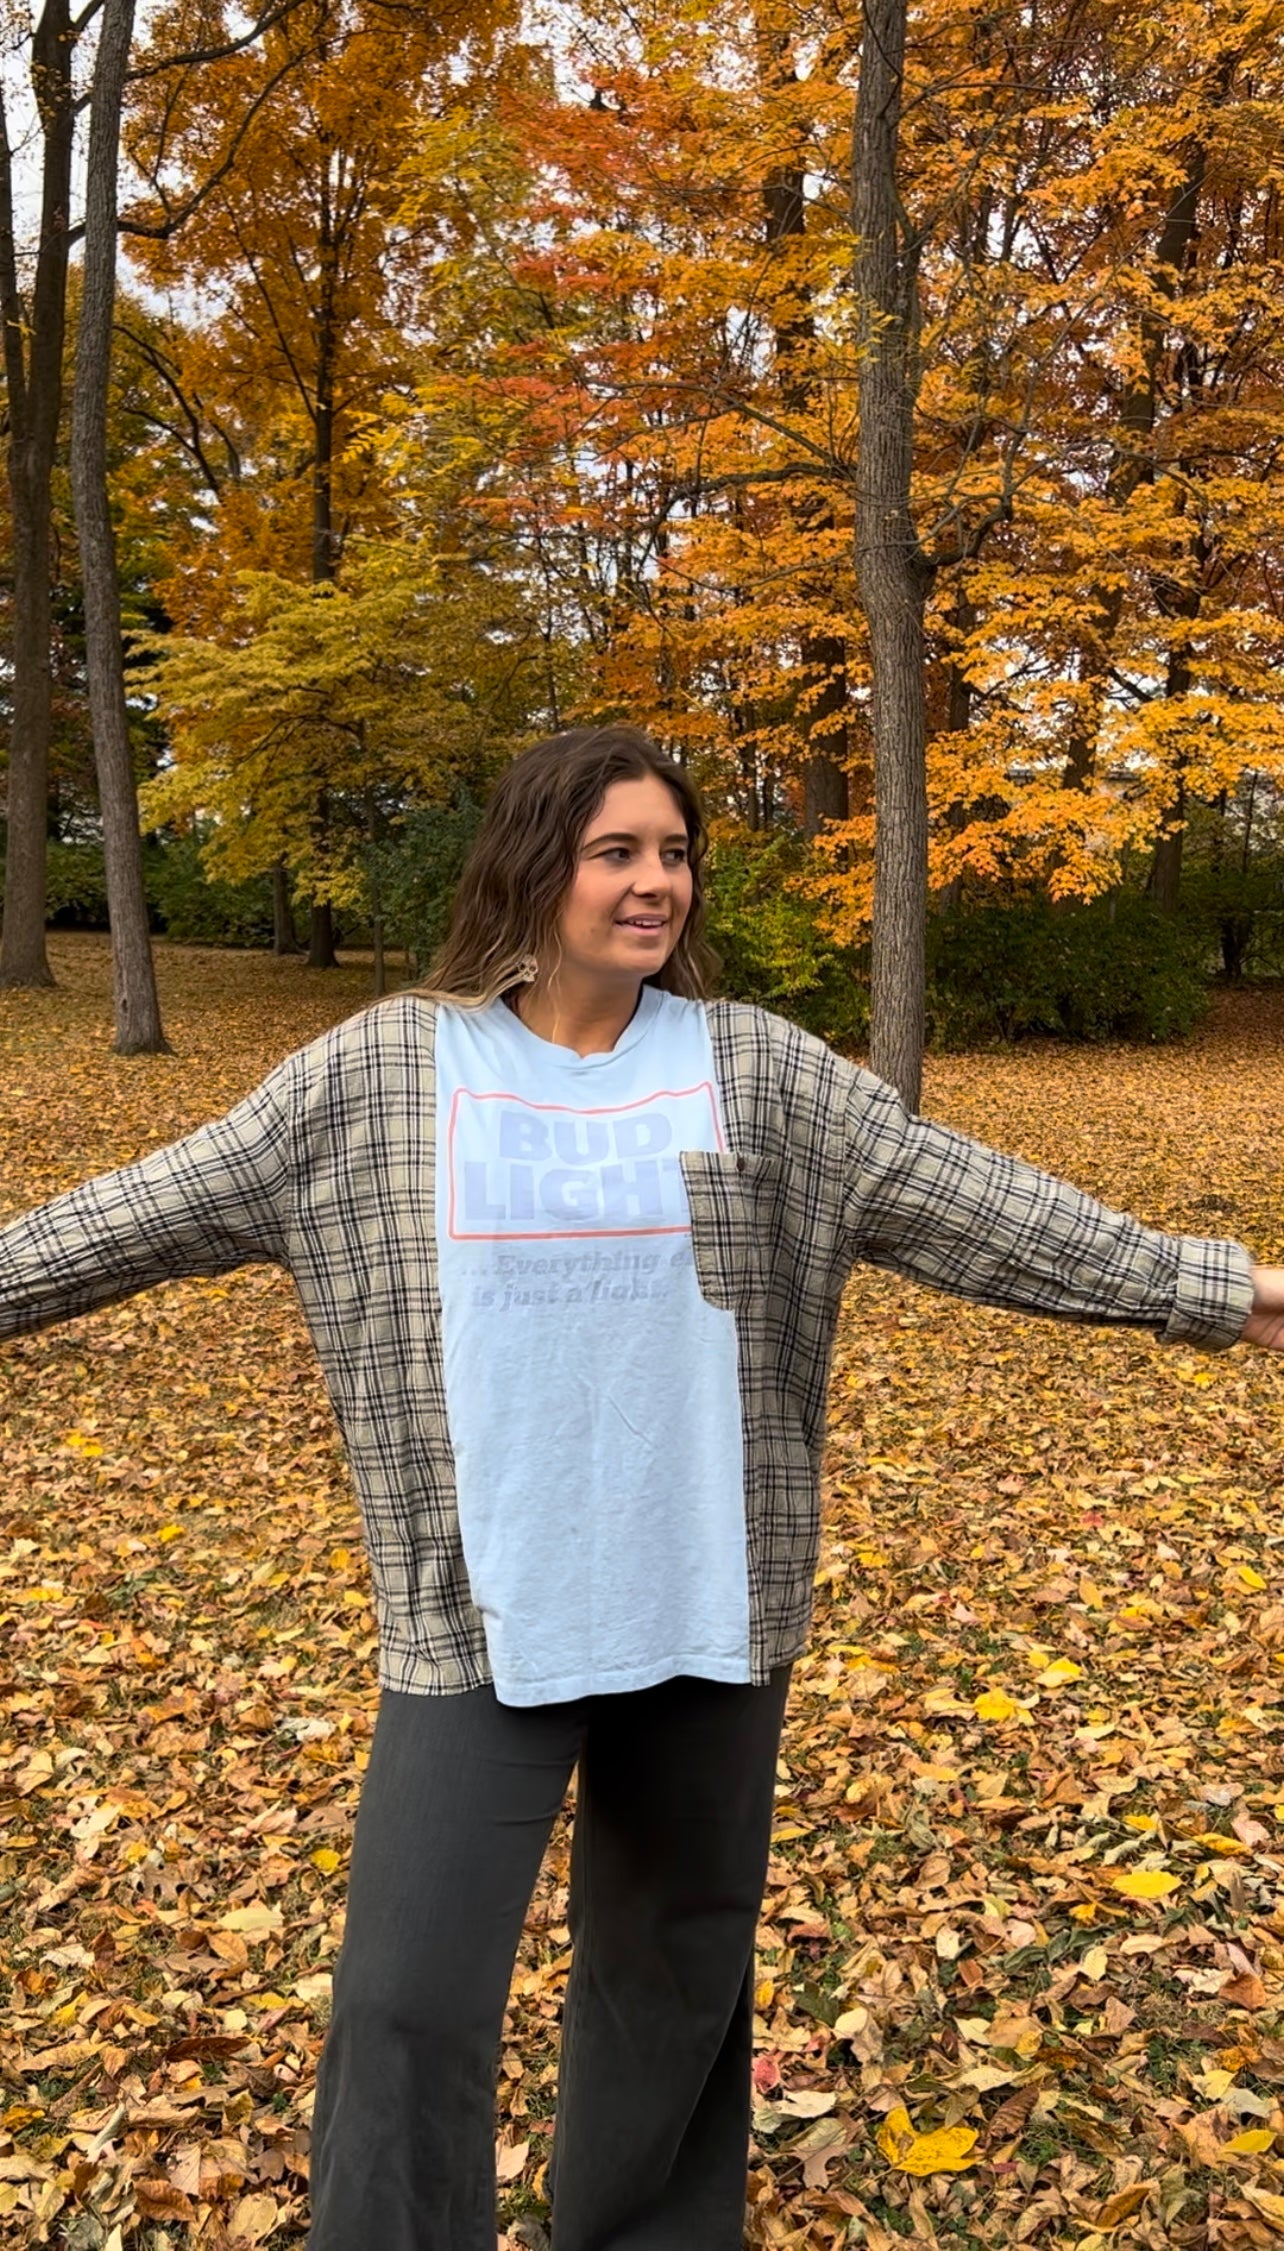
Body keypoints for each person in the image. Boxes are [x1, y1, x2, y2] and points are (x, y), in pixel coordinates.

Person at [1, 725, 1281, 2251]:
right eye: (617, 851)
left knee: (673, 1975)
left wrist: (1219, 1288)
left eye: (673, 853)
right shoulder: (384, 1073)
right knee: (408, 1995)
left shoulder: (756, 1072)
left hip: (706, 1590)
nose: (653, 882)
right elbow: (139, 1212)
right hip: (482, 1610)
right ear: (536, 866)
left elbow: (974, 1204)